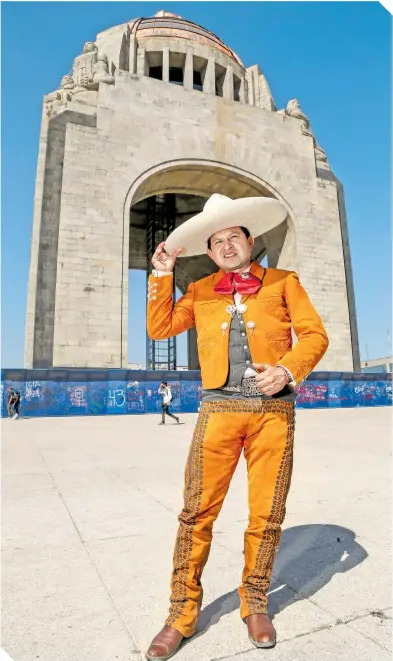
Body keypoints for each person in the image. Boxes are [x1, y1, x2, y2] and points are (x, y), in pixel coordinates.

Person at [145, 194, 329, 660]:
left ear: (250, 241)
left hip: (273, 415)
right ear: (209, 252)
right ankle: (181, 612)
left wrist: (287, 370)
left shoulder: (285, 282)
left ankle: (254, 601)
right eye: (217, 241)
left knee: (266, 514)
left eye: (234, 237)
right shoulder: (201, 290)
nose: (227, 247)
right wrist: (163, 273)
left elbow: (314, 335)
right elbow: (159, 327)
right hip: (217, 414)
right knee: (196, 513)